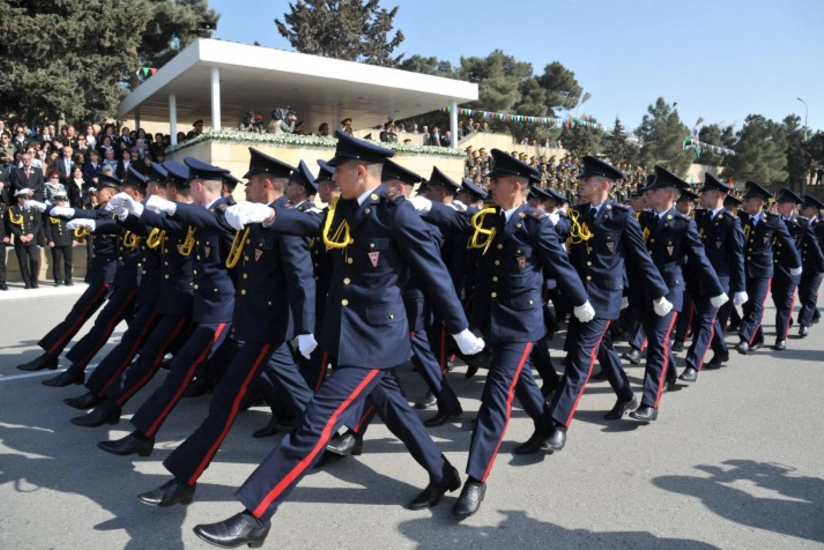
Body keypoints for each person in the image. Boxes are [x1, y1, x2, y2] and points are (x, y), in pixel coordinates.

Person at [192, 131, 483, 548]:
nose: (331, 180)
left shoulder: (396, 214)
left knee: (315, 424)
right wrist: (270, 217)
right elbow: (313, 223)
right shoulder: (346, 207)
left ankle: (256, 512)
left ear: (359, 171)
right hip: (349, 334)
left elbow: (434, 272)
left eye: (338, 171)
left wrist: (459, 328)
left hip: (376, 339)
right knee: (397, 412)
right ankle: (442, 473)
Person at [135, 148, 317, 508]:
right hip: (253, 323)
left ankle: (184, 479)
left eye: (249, 182)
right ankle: (330, 430)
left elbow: (302, 277)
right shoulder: (251, 215)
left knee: (224, 402)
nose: (244, 187)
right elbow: (212, 222)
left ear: (266, 184)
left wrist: (306, 328)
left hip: (270, 326)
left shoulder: (283, 219)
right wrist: (170, 209)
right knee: (285, 392)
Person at [415, 148, 593, 516]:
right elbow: (460, 222)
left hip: (521, 324)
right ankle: (546, 426)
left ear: (515, 185)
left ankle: (475, 480)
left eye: (494, 181)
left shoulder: (536, 222)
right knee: (520, 380)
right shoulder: (490, 217)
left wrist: (580, 301)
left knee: (496, 396)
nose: (488, 186)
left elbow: (560, 265)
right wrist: (428, 208)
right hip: (491, 320)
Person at [630, 166, 725, 423]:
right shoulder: (642, 220)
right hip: (644, 291)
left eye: (655, 189)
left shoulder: (684, 224)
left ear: (670, 195)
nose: (648, 192)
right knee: (654, 338)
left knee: (657, 345)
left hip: (670, 292)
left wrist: (717, 290)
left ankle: (649, 404)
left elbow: (700, 259)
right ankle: (670, 373)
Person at [681, 174, 747, 377]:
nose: (701, 196)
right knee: (705, 319)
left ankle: (692, 365)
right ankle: (721, 350)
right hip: (697, 277)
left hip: (719, 279)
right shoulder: (699, 217)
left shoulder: (731, 222)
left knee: (706, 320)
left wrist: (740, 287)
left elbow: (737, 256)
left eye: (705, 193)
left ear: (718, 195)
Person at [735, 182, 801, 354]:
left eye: (748, 200)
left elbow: (788, 243)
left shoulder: (772, 221)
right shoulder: (740, 219)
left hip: (763, 270)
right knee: (747, 306)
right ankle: (757, 338)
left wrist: (796, 265)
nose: (744, 203)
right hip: (744, 270)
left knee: (756, 305)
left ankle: (744, 338)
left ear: (760, 203)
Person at [770, 188, 808, 351]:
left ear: (791, 206)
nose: (778, 205)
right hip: (775, 268)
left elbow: (812, 245)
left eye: (782, 203)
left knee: (785, 302)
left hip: (791, 270)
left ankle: (781, 338)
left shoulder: (801, 224)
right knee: (777, 299)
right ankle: (786, 321)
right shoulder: (771, 221)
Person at [796, 195, 824, 337]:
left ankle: (804, 323)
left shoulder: (821, 225)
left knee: (811, 294)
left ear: (813, 210)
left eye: (804, 208)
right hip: (803, 265)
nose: (801, 210)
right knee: (802, 294)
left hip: (817, 266)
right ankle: (815, 313)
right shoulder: (800, 223)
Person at [7, 188, 42, 288]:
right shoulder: (12, 210)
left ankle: (34, 281)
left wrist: (32, 234)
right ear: (19, 199)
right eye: (25, 198)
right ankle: (27, 282)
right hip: (20, 239)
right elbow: (10, 224)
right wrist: (20, 235)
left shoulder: (33, 209)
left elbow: (37, 222)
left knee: (34, 260)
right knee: (22, 262)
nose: (27, 200)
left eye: (28, 198)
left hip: (31, 239)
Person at [44, 192, 75, 285]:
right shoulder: (51, 213)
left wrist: (74, 238)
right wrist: (50, 240)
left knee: (68, 261)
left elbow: (73, 226)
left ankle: (68, 279)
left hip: (67, 239)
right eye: (58, 201)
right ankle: (57, 280)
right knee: (57, 261)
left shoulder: (68, 212)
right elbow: (47, 227)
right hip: (56, 240)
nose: (60, 203)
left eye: (62, 201)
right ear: (55, 201)